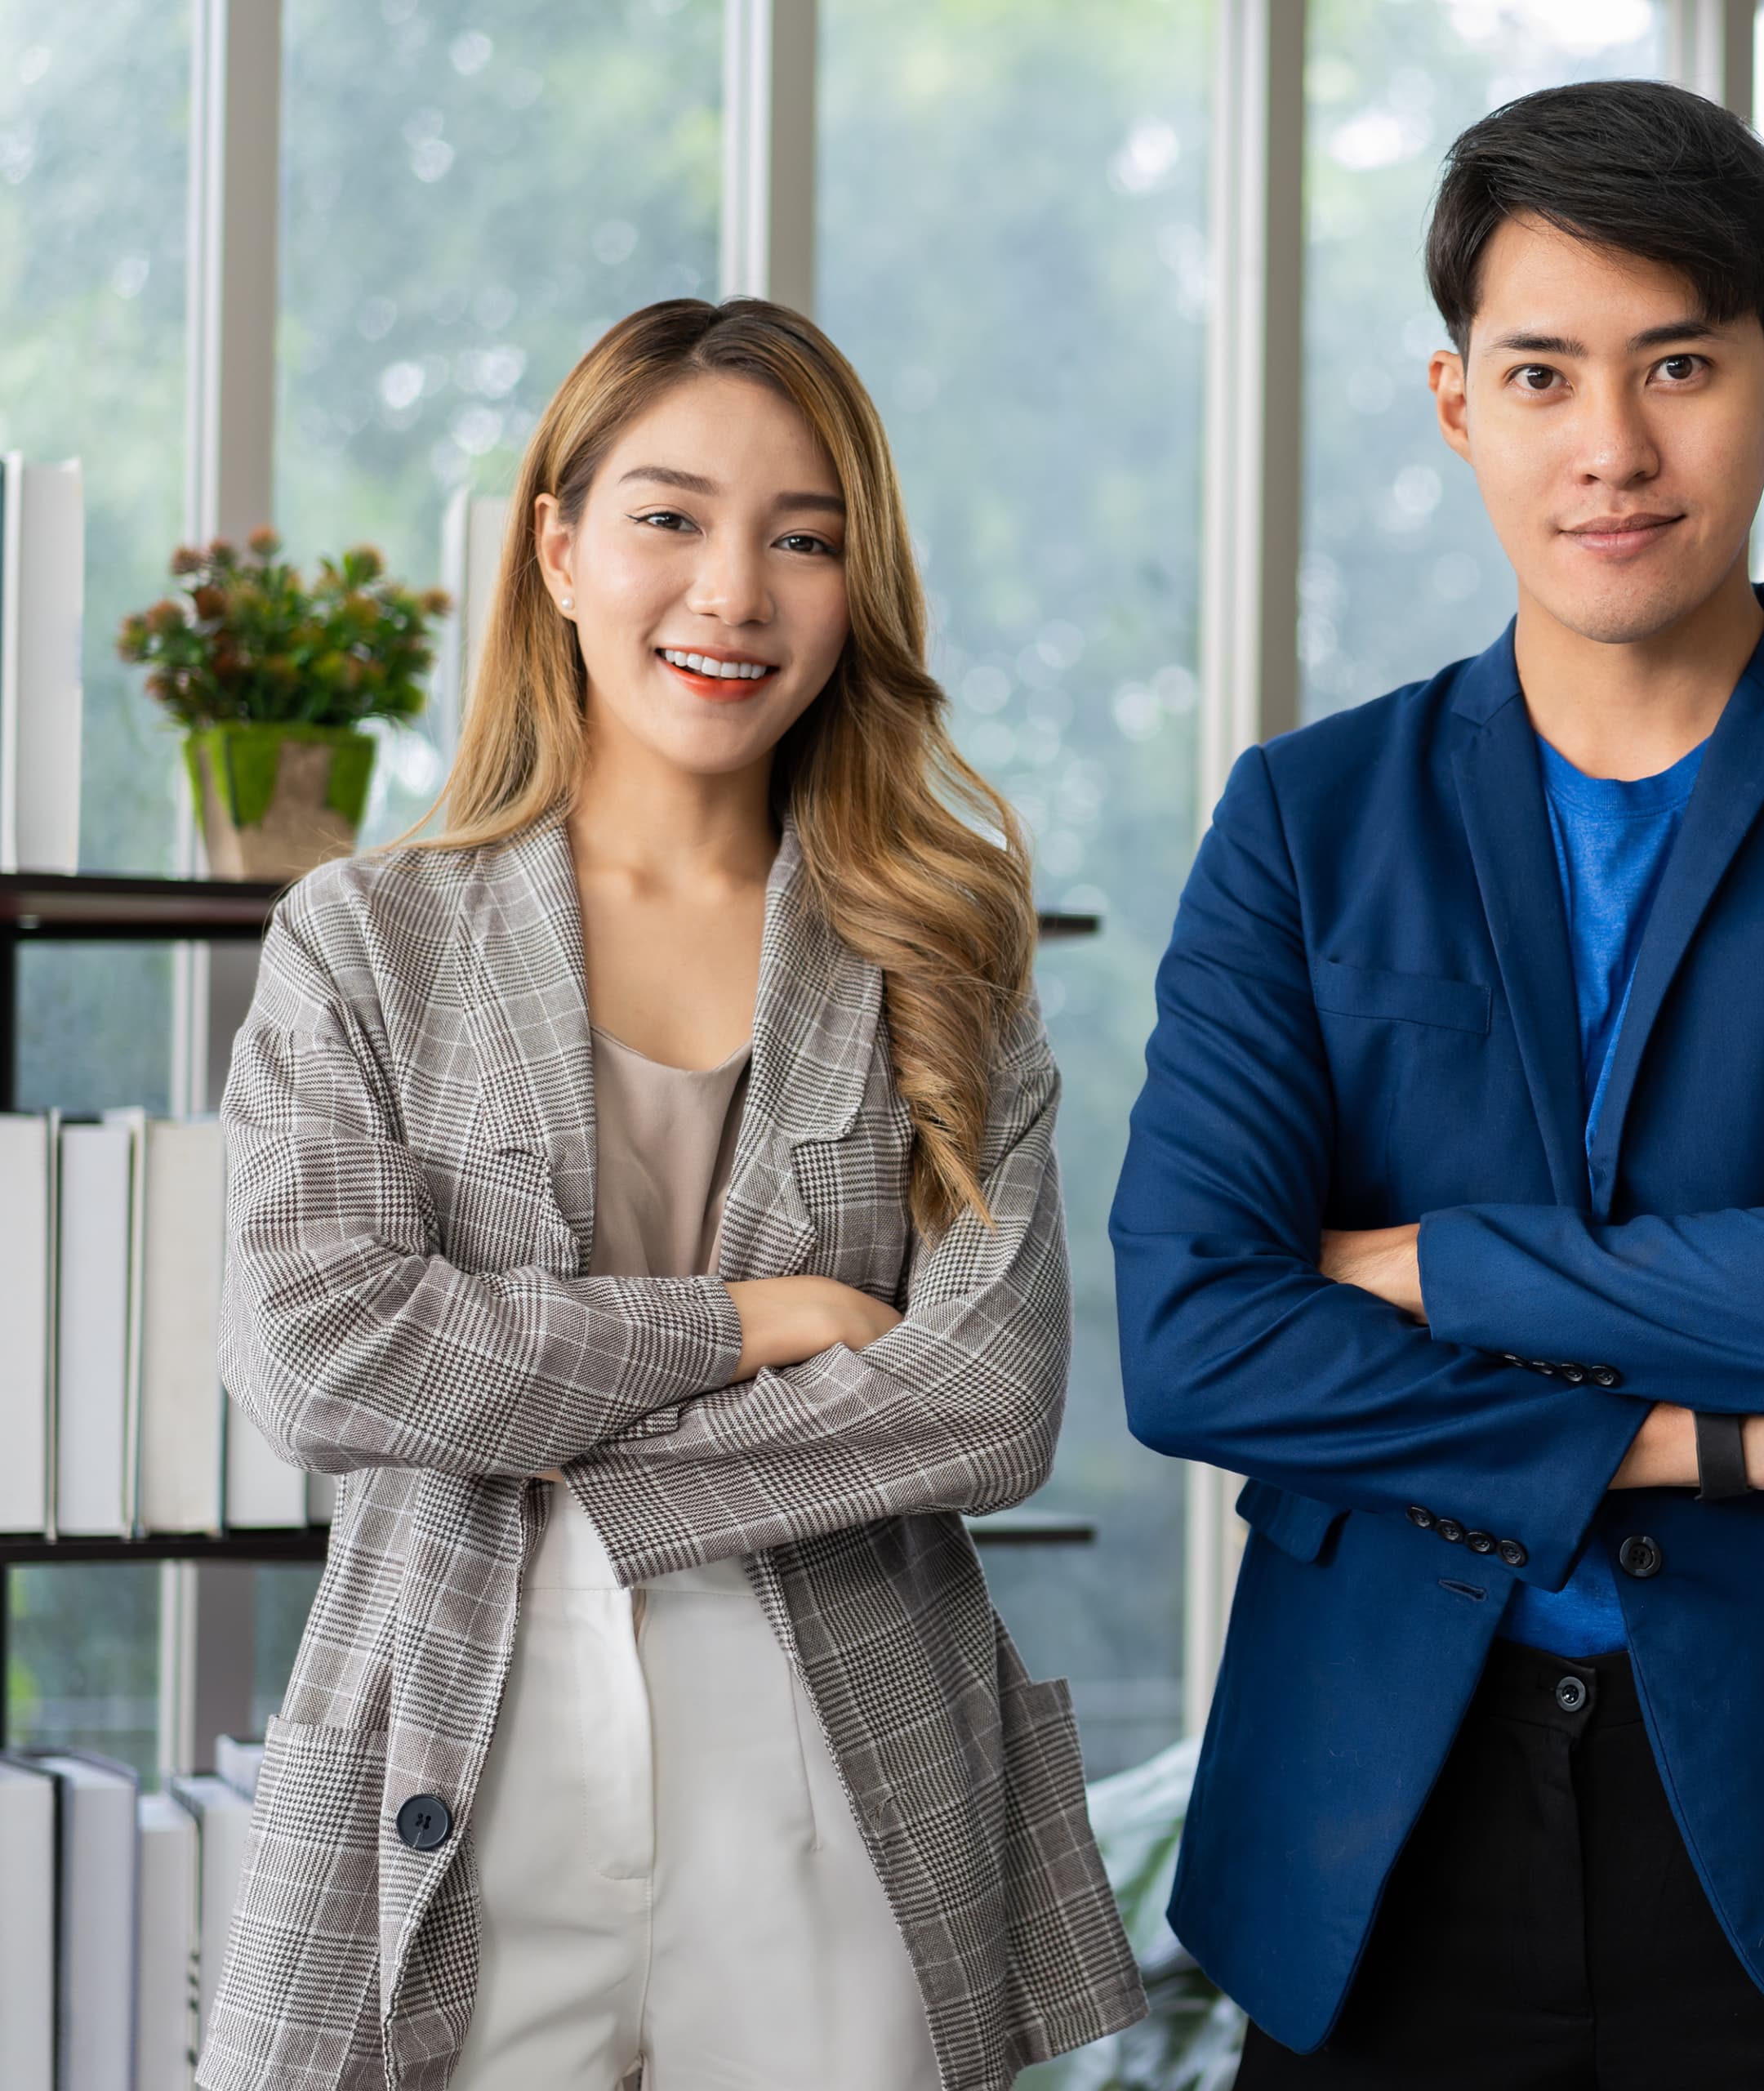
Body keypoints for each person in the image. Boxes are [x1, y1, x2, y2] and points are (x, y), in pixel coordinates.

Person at [1114, 79, 1764, 2087]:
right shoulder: (1310, 815)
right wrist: (1699, 1439)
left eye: (1679, 367)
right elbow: (1195, 1337)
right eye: (1544, 373)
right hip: (1378, 1813)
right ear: (1460, 401)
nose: (1613, 448)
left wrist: (1421, 1265)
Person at [204, 298, 1142, 2091]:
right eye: (670, 518)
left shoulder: (941, 951)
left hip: (836, 1776)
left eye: (805, 537)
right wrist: (754, 1318)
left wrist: (517, 1419)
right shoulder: (370, 938)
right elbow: (319, 1358)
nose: (734, 592)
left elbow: (990, 1400)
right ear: (556, 546)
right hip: (458, 1759)